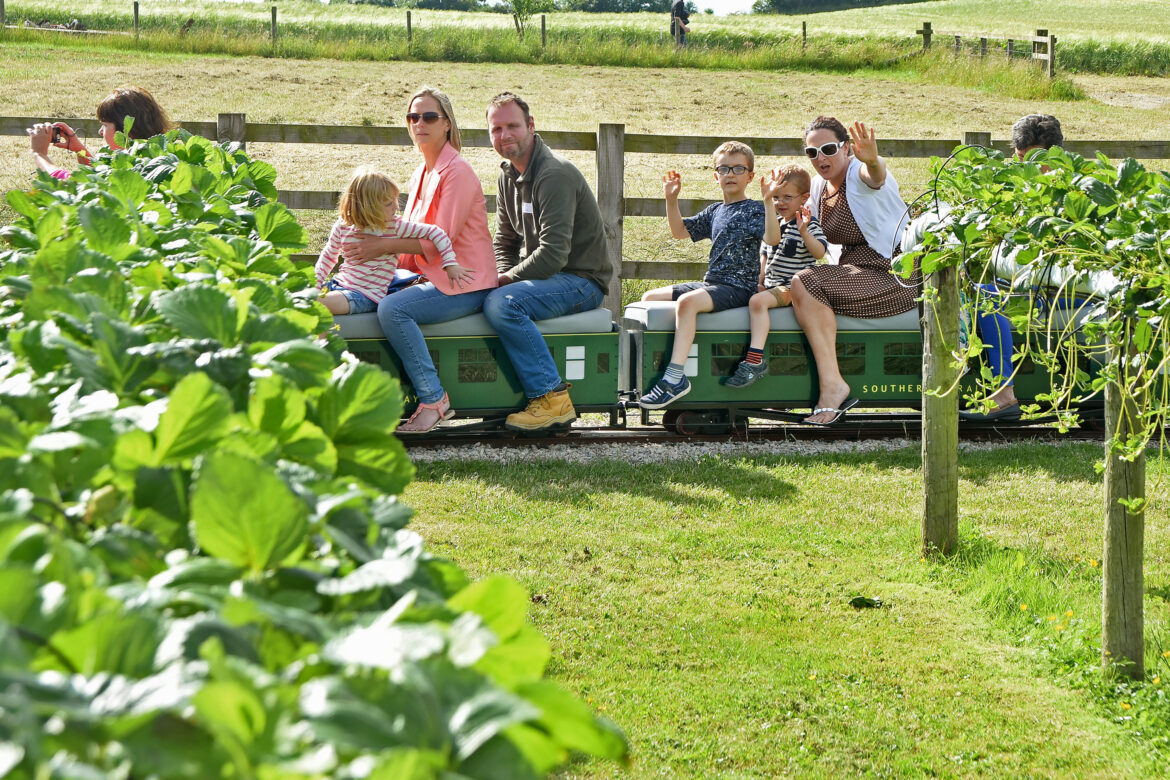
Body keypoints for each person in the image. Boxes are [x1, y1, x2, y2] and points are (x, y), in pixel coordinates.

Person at [355, 87, 498, 433]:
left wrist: (380, 249)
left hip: (464, 283)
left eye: (429, 116)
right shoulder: (422, 172)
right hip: (427, 277)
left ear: (447, 124)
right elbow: (408, 238)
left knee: (394, 309)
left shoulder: (457, 172)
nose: (419, 122)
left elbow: (440, 238)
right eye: (412, 117)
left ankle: (434, 399)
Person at [482, 92, 611, 432]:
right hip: (545, 279)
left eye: (512, 126)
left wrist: (504, 281)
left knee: (503, 303)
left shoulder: (554, 174)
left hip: (582, 280)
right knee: (490, 295)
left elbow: (554, 254)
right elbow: (505, 241)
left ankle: (552, 398)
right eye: (496, 129)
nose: (504, 135)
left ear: (531, 126)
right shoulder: (506, 176)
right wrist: (498, 272)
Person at [791, 116, 915, 425]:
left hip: (893, 273)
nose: (820, 158)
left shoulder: (858, 175)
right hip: (855, 271)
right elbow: (813, 242)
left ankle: (833, 387)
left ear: (847, 148)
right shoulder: (819, 187)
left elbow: (876, 177)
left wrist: (872, 161)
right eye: (812, 152)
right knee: (798, 282)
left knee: (805, 283)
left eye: (828, 148)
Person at [638, 141, 777, 409]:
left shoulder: (755, 210)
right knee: (650, 296)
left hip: (739, 287)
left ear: (750, 176)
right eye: (724, 169)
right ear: (716, 176)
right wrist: (671, 199)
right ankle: (657, 366)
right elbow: (680, 232)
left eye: (738, 168)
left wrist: (769, 200)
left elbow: (772, 238)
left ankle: (675, 377)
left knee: (687, 303)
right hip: (713, 283)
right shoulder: (716, 211)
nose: (730, 174)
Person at [959, 113, 1064, 421]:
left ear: (1052, 155)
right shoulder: (1017, 186)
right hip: (1025, 279)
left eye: (1030, 159)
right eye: (1018, 158)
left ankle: (1004, 394)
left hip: (1056, 286)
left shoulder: (1069, 187)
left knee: (988, 297)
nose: (1023, 167)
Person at [315, 166, 466, 318]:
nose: (396, 206)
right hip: (338, 285)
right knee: (306, 304)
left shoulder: (394, 227)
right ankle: (319, 342)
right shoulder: (344, 225)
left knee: (310, 305)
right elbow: (328, 256)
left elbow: (436, 233)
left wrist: (450, 263)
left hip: (365, 296)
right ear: (369, 208)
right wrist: (315, 284)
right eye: (388, 203)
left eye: (395, 199)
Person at [726, 163, 828, 389]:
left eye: (787, 197)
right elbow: (765, 256)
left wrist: (804, 232)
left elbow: (819, 253)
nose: (780, 203)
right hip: (772, 285)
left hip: (794, 289)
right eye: (775, 196)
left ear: (804, 198)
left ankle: (754, 360)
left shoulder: (807, 223)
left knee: (757, 302)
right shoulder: (775, 224)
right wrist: (759, 281)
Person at [26, 85, 175, 179]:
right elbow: (99, 177)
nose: (100, 131)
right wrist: (79, 149)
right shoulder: (156, 160)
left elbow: (71, 186)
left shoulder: (131, 172)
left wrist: (39, 153)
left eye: (104, 125)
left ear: (128, 132)